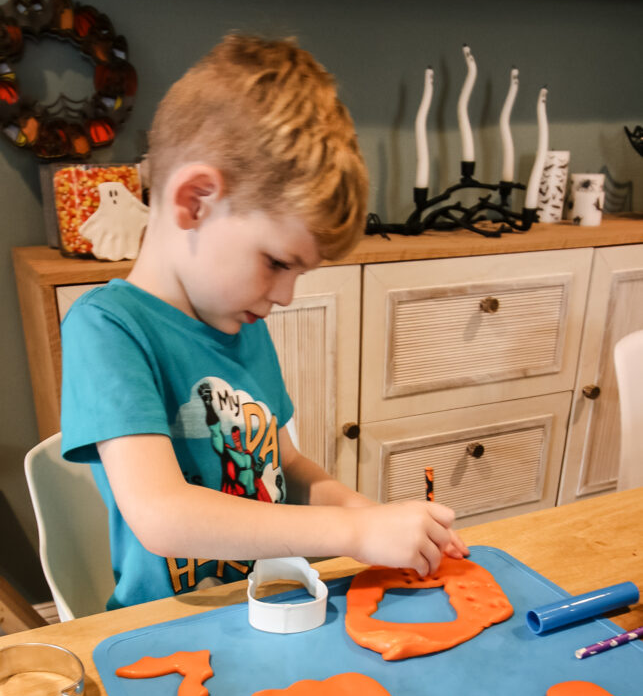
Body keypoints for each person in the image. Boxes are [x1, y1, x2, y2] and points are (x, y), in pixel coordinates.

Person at [61, 33, 467, 610]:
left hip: (275, 602)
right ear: (195, 201)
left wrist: (363, 513)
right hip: (168, 629)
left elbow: (288, 465)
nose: (286, 296)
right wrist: (350, 535)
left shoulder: (238, 320)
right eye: (277, 262)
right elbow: (161, 515)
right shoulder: (108, 329)